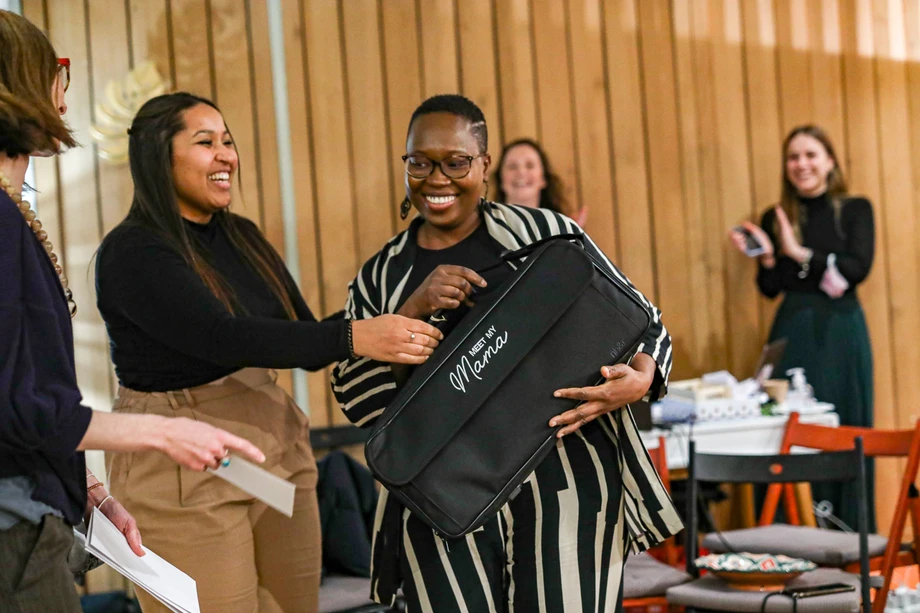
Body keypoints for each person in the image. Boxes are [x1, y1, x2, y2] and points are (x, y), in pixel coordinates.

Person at [94, 92, 443, 613]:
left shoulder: (241, 236)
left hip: (264, 449)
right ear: (158, 157)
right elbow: (222, 337)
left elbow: (303, 340)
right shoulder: (133, 251)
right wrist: (357, 336)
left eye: (229, 142)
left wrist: (406, 309)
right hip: (182, 460)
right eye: (205, 142)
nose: (226, 155)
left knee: (292, 603)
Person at [331, 94, 681, 611]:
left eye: (456, 162)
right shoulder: (381, 278)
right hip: (441, 499)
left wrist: (642, 379)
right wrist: (411, 310)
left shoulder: (548, 234)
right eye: (420, 162)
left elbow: (642, 319)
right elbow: (358, 400)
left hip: (568, 484)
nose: (437, 178)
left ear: (484, 165)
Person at [0, 11, 266, 613]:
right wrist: (164, 431)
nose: (63, 94)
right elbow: (20, 405)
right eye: (56, 72)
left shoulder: (12, 215)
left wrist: (86, 486)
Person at [730, 124, 875, 531]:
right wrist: (768, 258)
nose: (802, 164)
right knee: (787, 424)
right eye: (794, 157)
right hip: (791, 329)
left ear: (830, 161)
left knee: (843, 422)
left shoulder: (855, 209)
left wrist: (799, 253)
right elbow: (771, 289)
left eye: (811, 155)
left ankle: (846, 531)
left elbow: (857, 268)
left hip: (841, 330)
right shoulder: (777, 216)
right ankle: (787, 530)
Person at [494, 137, 588, 226]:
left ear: (543, 179)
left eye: (530, 165)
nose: (521, 172)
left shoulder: (562, 228)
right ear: (500, 179)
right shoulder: (484, 227)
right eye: (512, 166)